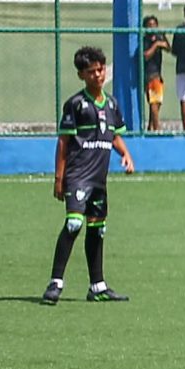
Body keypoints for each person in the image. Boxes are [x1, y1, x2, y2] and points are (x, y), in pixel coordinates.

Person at [44, 45, 136, 306]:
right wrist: (59, 179)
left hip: (99, 180)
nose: (98, 75)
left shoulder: (112, 103)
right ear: (81, 75)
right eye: (91, 71)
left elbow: (114, 134)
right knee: (74, 223)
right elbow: (63, 143)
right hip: (77, 176)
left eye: (100, 69)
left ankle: (97, 286)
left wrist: (126, 154)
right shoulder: (75, 104)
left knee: (98, 229)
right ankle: (55, 283)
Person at [140, 15, 170, 132]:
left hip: (157, 74)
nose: (152, 28)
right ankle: (156, 128)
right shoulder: (144, 40)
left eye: (154, 25)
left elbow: (169, 48)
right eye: (149, 25)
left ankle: (151, 127)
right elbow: (146, 55)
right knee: (154, 102)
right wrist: (156, 45)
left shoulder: (158, 37)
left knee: (156, 102)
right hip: (150, 74)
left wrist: (164, 37)